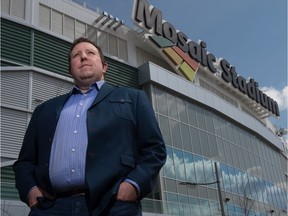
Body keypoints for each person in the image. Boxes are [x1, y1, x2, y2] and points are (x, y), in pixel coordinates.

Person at [13, 37, 167, 216]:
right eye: (76, 55)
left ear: (104, 66)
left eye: (90, 53)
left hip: (112, 206)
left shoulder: (133, 98)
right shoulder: (44, 110)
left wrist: (134, 185)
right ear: (71, 69)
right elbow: (25, 161)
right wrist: (30, 190)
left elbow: (155, 149)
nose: (83, 57)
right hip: (50, 208)